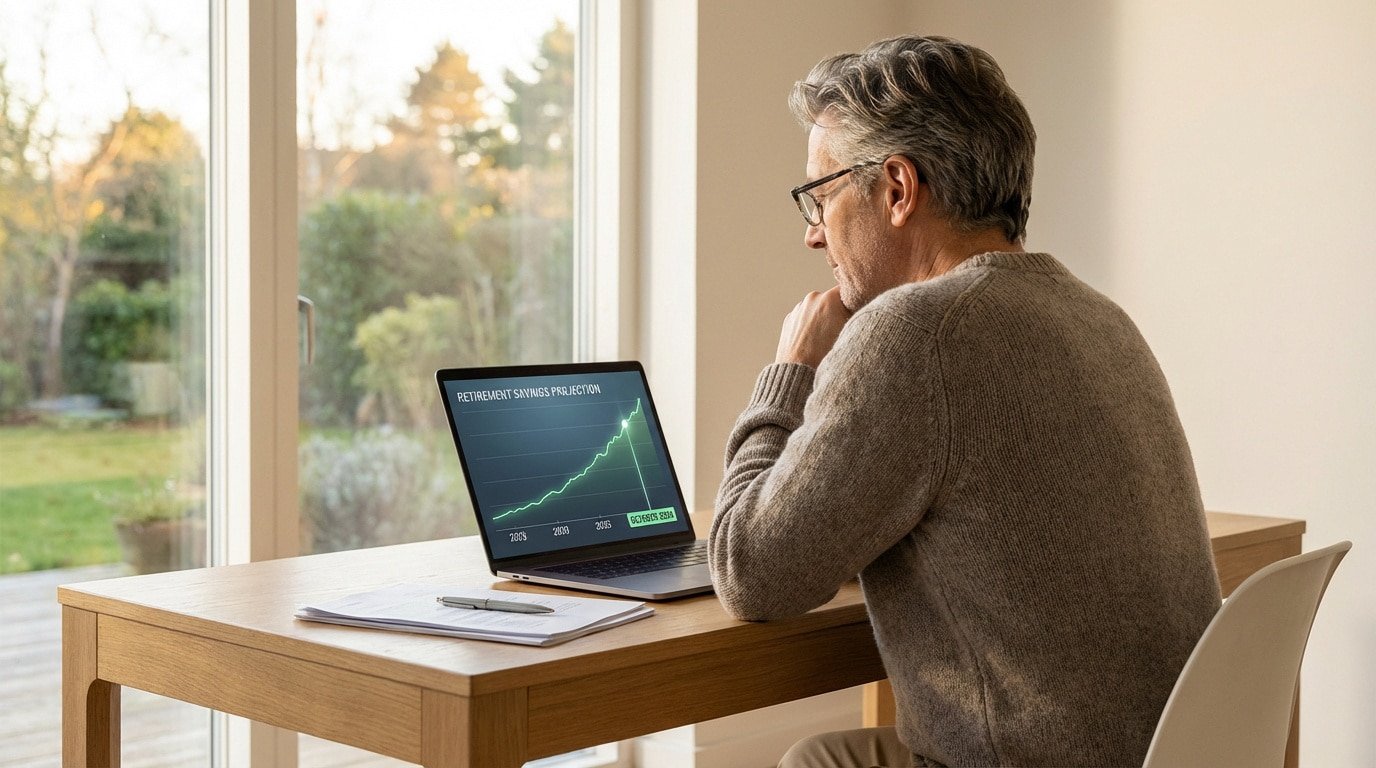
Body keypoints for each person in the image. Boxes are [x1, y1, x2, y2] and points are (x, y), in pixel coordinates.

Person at [707, 35, 1222, 768]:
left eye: (820, 197)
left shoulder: (912, 331)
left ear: (896, 188)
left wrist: (790, 370)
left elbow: (751, 574)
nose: (813, 235)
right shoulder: (1097, 313)